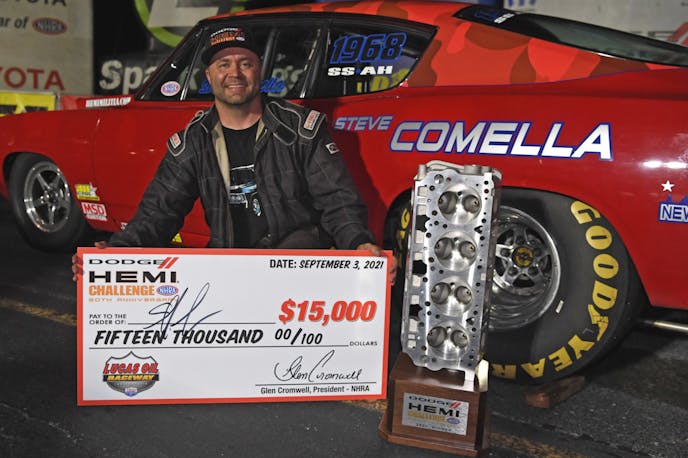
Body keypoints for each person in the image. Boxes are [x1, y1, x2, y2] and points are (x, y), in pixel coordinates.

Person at [73, 26, 396, 281]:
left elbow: (338, 201)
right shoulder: (193, 142)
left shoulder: (302, 129)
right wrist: (113, 254)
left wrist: (359, 243)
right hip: (229, 270)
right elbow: (158, 213)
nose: (235, 73)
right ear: (209, 76)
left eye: (245, 63)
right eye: (223, 64)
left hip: (297, 268)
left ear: (259, 71)